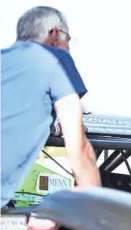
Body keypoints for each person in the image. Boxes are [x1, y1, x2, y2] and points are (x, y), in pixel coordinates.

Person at [1, 6, 101, 207]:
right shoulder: (55, 58)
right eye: (68, 39)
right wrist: (99, 214)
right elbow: (78, 148)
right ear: (55, 35)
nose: (69, 47)